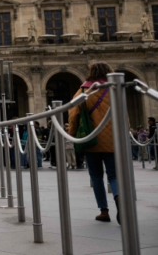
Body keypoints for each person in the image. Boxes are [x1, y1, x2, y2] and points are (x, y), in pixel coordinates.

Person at [68, 62, 119, 224]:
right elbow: (124, 114)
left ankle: (104, 211)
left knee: (96, 177)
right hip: (113, 139)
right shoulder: (115, 89)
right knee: (114, 175)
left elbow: (73, 114)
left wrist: (73, 135)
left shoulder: (84, 90)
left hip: (91, 139)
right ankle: (120, 201)